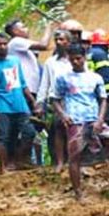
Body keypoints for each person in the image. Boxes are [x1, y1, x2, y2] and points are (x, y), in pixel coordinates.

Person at [51, 45, 109, 201]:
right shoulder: (63, 78)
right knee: (74, 157)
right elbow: (55, 99)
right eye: (72, 60)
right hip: (75, 121)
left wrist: (100, 119)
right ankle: (78, 192)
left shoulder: (95, 77)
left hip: (93, 119)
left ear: (84, 57)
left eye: (78, 58)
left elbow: (103, 99)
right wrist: (63, 116)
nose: (76, 62)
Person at [0, 32, 36, 174]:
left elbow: (22, 83)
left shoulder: (14, 61)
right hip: (2, 105)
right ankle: (3, 167)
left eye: (5, 44)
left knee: (29, 132)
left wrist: (32, 101)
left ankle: (18, 160)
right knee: (3, 136)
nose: (2, 47)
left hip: (20, 104)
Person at [36, 29, 79, 172]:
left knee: (75, 130)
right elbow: (45, 83)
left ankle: (75, 161)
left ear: (69, 42)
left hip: (75, 99)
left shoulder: (76, 59)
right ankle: (60, 162)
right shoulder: (50, 62)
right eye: (57, 40)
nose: (59, 43)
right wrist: (40, 102)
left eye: (62, 40)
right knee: (58, 129)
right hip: (57, 100)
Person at [5, 18, 54, 100]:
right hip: (26, 89)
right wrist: (48, 29)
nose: (27, 29)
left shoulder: (23, 47)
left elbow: (46, 48)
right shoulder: (16, 41)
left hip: (31, 89)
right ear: (15, 31)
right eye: (23, 27)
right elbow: (43, 45)